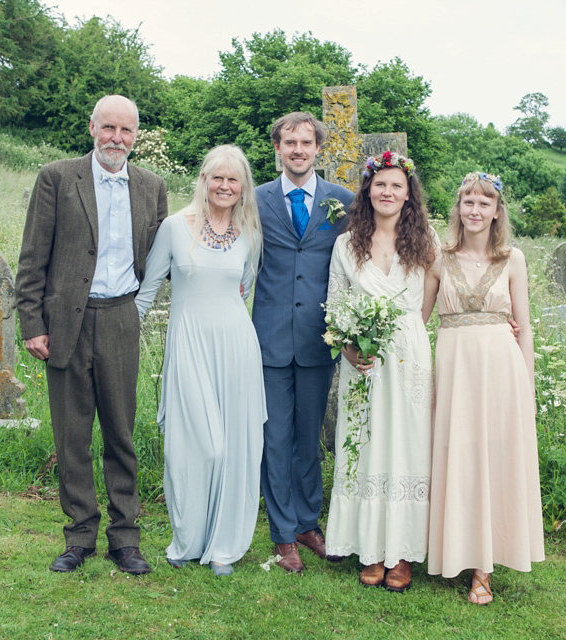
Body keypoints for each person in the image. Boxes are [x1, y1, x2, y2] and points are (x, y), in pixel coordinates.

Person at [16, 95, 167, 574]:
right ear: (92, 128)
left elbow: (164, 257)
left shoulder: (152, 186)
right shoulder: (57, 178)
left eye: (125, 131)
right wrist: (32, 324)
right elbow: (32, 256)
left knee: (121, 433)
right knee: (73, 435)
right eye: (108, 129)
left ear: (136, 136)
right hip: (65, 324)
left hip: (122, 318)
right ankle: (80, 535)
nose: (116, 139)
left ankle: (126, 539)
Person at [134, 145, 265, 577]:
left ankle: (224, 547)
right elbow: (148, 290)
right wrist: (121, 342)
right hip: (189, 345)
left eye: (234, 179)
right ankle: (187, 539)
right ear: (204, 180)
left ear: (242, 186)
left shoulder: (250, 230)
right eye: (218, 177)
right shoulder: (175, 227)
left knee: (236, 449)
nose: (225, 186)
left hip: (236, 348)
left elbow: (244, 289)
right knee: (199, 448)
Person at [323, 151, 439, 592]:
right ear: (367, 191)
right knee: (365, 445)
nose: (387, 192)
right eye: (380, 185)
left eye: (397, 186)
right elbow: (334, 305)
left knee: (408, 447)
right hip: (362, 361)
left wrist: (403, 336)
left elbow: (426, 305)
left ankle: (404, 552)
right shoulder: (346, 244)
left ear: (408, 196)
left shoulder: (425, 241)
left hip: (408, 358)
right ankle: (369, 549)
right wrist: (352, 348)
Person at [427, 172, 544, 605]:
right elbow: (416, 318)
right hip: (455, 366)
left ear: (497, 211)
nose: (474, 210)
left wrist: (526, 383)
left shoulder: (513, 258)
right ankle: (453, 550)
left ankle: (485, 568)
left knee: (494, 459)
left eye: (484, 203)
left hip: (501, 369)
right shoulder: (438, 257)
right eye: (467, 202)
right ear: (458, 208)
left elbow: (525, 327)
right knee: (458, 456)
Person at [252, 112, 355, 573]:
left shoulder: (343, 201)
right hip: (268, 338)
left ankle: (308, 522)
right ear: (277, 148)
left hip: (319, 339)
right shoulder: (254, 200)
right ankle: (281, 533)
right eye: (289, 142)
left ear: (318, 149)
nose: (297, 150)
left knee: (309, 438)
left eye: (306, 142)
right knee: (275, 438)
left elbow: (370, 254)